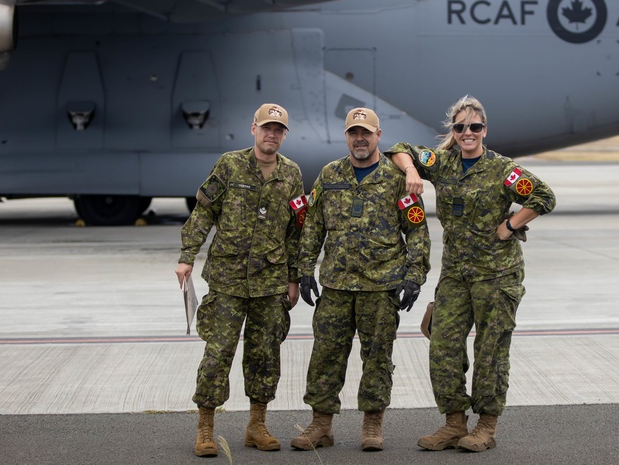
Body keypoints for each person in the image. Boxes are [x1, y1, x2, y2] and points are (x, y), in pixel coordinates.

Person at [386, 95, 555, 452]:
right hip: (456, 276)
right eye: (460, 127)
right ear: (454, 130)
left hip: (497, 276)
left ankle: (486, 427)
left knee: (490, 351)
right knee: (443, 346)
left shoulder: (502, 170)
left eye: (474, 127)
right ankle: (453, 423)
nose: (467, 133)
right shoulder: (442, 163)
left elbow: (543, 196)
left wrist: (510, 224)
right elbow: (400, 148)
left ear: (484, 130)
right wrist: (413, 171)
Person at [290, 107, 431, 452]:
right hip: (336, 286)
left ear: (378, 136)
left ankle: (372, 423)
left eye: (366, 133)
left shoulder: (396, 179)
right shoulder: (330, 174)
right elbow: (313, 226)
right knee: (325, 356)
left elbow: (417, 231)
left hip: (380, 286)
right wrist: (304, 268)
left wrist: (414, 276)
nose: (360, 139)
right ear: (346, 136)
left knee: (378, 357)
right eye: (354, 133)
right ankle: (321, 424)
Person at [174, 103, 306, 457]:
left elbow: (296, 231)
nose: (271, 135)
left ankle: (257, 425)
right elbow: (204, 211)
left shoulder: (292, 173)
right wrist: (187, 256)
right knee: (217, 355)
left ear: (284, 135)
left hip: (270, 282)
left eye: (278, 130)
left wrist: (293, 279)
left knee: (265, 356)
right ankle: (205, 428)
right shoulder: (230, 164)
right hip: (228, 279)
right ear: (253, 129)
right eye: (266, 128)